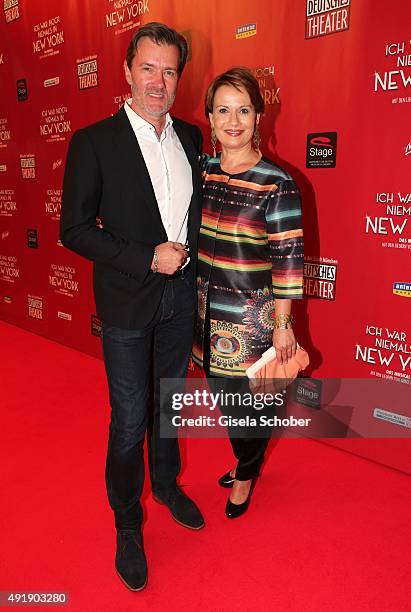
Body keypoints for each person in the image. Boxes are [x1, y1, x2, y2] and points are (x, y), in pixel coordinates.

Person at [60, 22, 204, 592]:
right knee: (128, 421)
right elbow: (73, 228)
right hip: (125, 301)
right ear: (127, 70)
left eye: (169, 71)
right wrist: (146, 257)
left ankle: (166, 485)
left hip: (181, 297)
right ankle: (127, 523)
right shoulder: (94, 141)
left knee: (168, 407)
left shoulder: (192, 137)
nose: (158, 81)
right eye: (148, 68)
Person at [192, 67, 304, 519]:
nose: (232, 120)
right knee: (225, 402)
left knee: (251, 408)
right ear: (210, 118)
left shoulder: (276, 183)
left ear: (259, 116)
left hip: (251, 323)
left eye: (243, 109)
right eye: (223, 110)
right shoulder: (203, 172)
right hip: (203, 314)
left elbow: (289, 260)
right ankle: (247, 457)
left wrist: (282, 326)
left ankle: (246, 470)